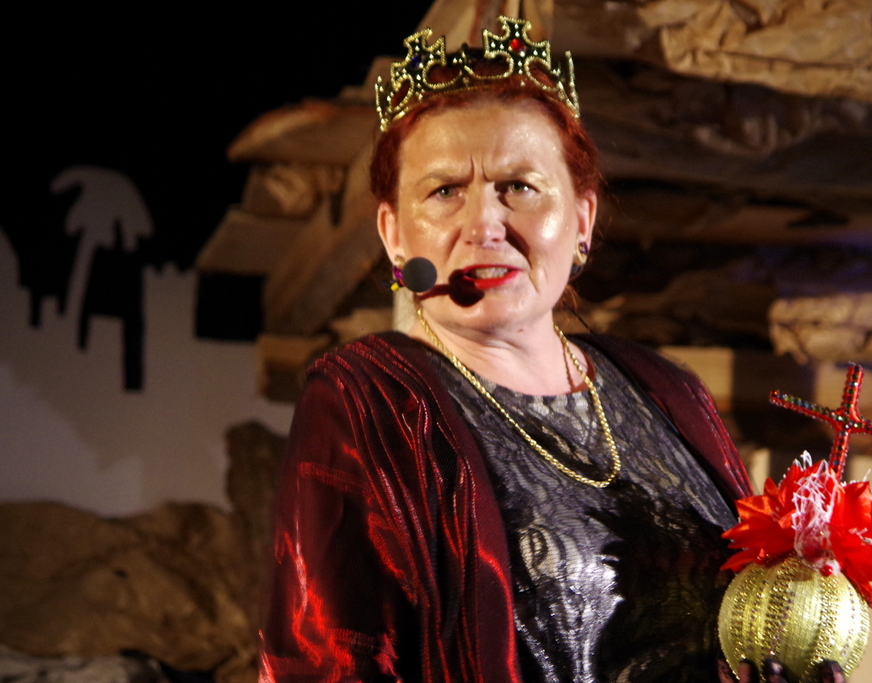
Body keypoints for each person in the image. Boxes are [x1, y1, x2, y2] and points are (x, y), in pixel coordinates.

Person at [258, 16, 828, 683]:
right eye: (444, 191)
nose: (484, 224)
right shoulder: (368, 402)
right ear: (393, 234)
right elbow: (324, 665)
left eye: (519, 187)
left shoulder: (665, 389)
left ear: (582, 218)